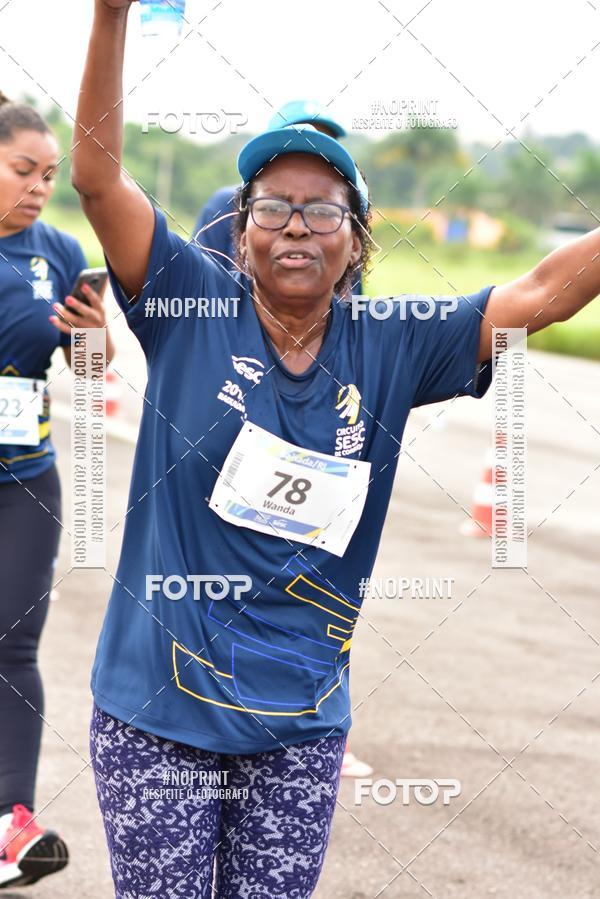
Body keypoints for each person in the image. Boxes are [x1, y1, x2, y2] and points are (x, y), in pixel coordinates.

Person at [76, 3, 600, 896]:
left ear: (357, 240)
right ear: (239, 231)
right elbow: (97, 181)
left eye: (323, 211)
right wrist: (112, 13)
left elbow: (546, 291)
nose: (295, 226)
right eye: (272, 206)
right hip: (157, 712)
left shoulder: (394, 341)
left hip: (300, 721)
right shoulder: (186, 305)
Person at [0, 91, 114, 889]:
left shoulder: (62, 251)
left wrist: (88, 334)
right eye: (21, 170)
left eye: (49, 175)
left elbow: (91, 367)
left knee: (10, 647)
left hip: (23, 481)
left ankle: (10, 824)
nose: (40, 186)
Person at [194, 100, 366, 299]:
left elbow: (348, 300)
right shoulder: (223, 205)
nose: (296, 228)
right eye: (272, 209)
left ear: (353, 245)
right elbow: (201, 288)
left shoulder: (341, 226)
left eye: (323, 141)